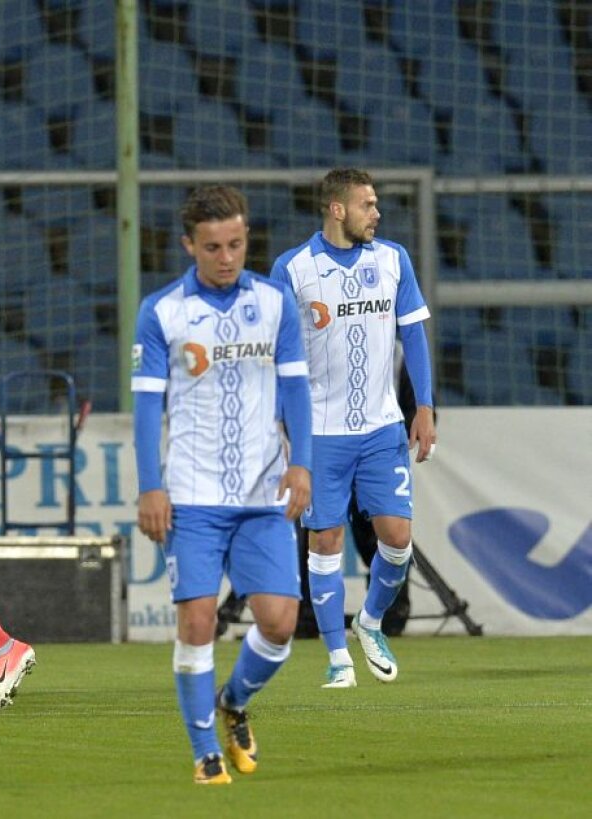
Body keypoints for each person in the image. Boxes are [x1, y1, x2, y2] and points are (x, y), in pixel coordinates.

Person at [132, 186, 312, 784]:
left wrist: (302, 463)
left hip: (263, 494)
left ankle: (233, 702)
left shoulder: (276, 302)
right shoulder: (162, 313)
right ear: (190, 246)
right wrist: (151, 486)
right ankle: (205, 752)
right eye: (213, 247)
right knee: (197, 622)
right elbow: (144, 409)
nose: (227, 256)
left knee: (280, 622)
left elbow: (295, 391)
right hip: (192, 496)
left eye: (236, 244)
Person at [270, 168, 436, 689]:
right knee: (325, 540)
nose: (377, 213)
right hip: (320, 432)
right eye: (368, 204)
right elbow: (277, 355)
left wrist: (424, 407)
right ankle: (338, 656)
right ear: (337, 209)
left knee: (398, 539)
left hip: (383, 427)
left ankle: (369, 622)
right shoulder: (293, 269)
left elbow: (415, 336)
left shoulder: (392, 260)